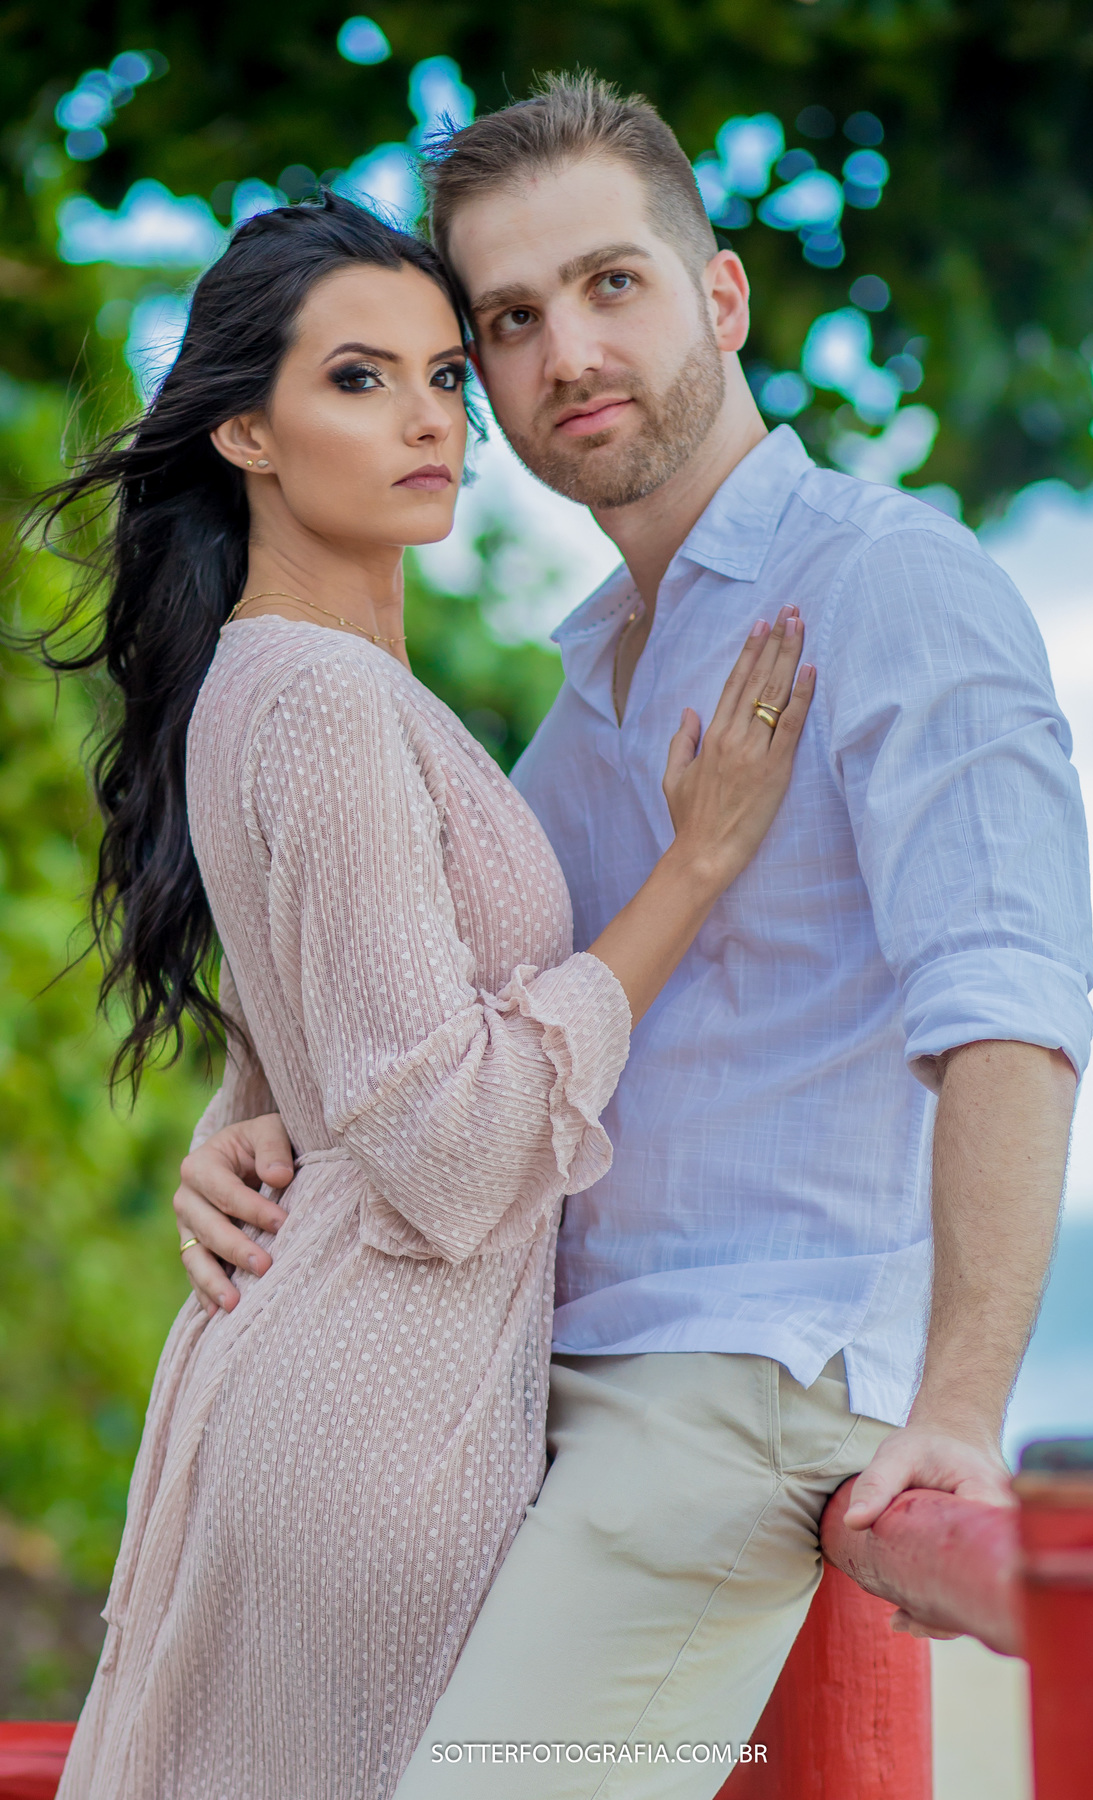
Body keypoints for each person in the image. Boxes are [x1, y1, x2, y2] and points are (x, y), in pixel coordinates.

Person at [175, 76, 1093, 1800]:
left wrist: (963, 1407)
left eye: (614, 286)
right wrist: (239, 1129)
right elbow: (459, 1017)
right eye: (508, 323)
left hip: (737, 1382)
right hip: (525, 1380)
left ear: (721, 296)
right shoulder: (584, 679)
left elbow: (1009, 1004)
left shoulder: (895, 582)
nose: (565, 355)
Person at [26, 190, 812, 1800]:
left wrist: (247, 1121)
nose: (429, 422)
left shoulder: (297, 685)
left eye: (448, 377)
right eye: (359, 380)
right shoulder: (315, 699)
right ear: (245, 430)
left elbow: (339, 1040)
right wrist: (697, 864)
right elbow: (449, 1146)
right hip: (386, 1421)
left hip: (357, 1390)